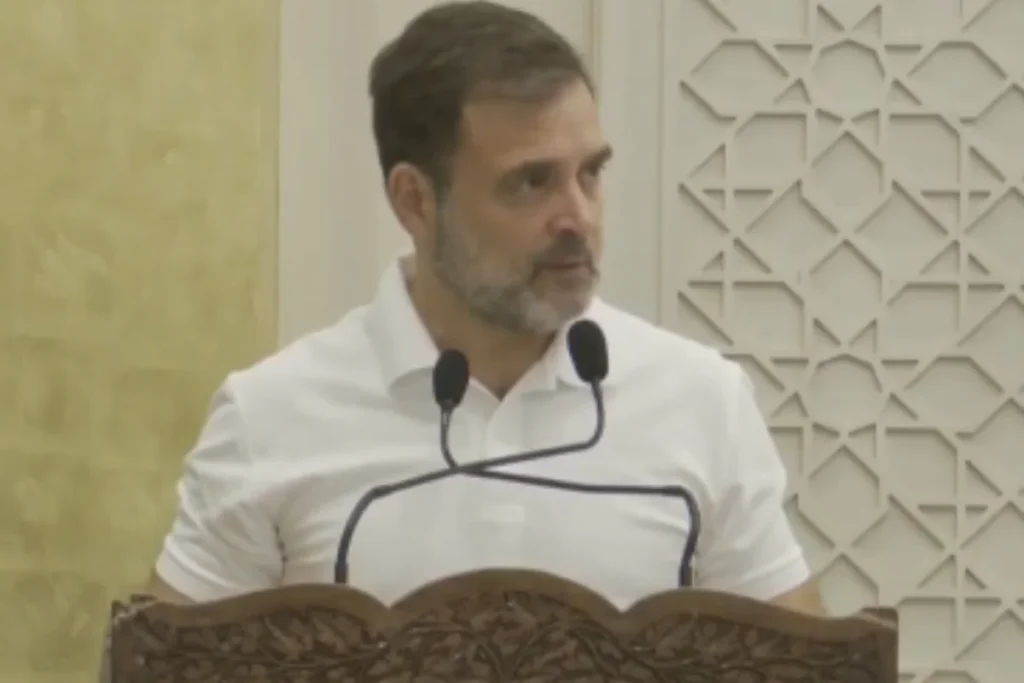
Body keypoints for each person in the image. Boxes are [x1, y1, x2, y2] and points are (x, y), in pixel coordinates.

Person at [143, 0, 824, 614]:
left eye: (590, 173)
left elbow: (798, 663)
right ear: (415, 201)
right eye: (531, 182)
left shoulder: (703, 402)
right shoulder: (270, 419)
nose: (578, 217)